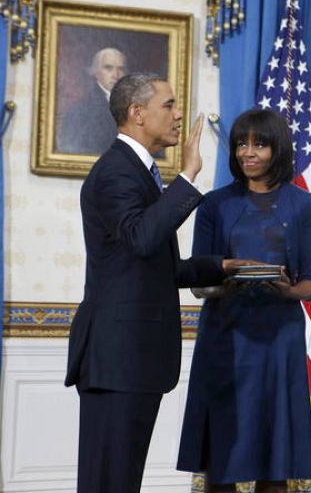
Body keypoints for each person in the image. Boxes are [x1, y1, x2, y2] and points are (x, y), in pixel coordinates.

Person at [65, 73, 252, 493]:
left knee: (120, 481)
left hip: (132, 362)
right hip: (117, 361)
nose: (179, 113)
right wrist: (188, 176)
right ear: (136, 113)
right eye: (168, 105)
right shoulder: (116, 171)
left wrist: (218, 266)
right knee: (109, 482)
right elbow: (143, 237)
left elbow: (151, 267)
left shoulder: (138, 172)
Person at [177, 109, 311, 493]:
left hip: (279, 339)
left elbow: (310, 282)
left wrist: (288, 291)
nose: (248, 152)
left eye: (259, 143)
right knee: (220, 457)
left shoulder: (305, 206)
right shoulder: (213, 204)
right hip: (224, 337)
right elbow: (196, 280)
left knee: (274, 459)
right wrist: (229, 276)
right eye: (242, 143)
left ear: (278, 148)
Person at [57, 47, 128, 154]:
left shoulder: (133, 105)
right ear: (96, 72)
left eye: (120, 69)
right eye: (108, 68)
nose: (115, 75)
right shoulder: (80, 109)